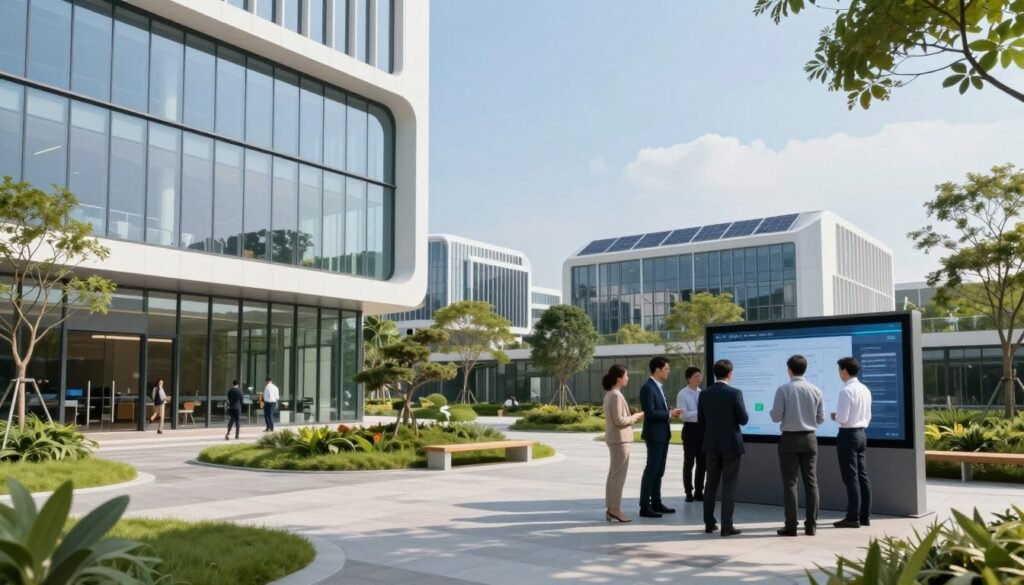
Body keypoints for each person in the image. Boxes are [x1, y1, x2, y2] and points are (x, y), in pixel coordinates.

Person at [769, 355, 825, 537]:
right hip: (810, 438)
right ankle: (812, 526)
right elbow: (821, 418)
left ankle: (791, 526)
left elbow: (776, 417)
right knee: (811, 483)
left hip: (789, 440)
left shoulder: (783, 390)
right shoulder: (816, 390)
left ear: (789, 370)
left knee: (790, 484)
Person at [700, 359, 749, 537]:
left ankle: (709, 523)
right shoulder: (735, 393)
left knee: (710, 484)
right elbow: (743, 419)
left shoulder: (704, 394)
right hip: (731, 445)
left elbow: (701, 420)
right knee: (729, 485)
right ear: (730, 373)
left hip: (711, 445)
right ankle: (727, 526)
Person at [638, 356, 683, 518]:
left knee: (659, 470)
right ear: (657, 370)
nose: (668, 371)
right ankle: (645, 506)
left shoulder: (659, 387)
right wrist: (669, 413)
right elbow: (649, 413)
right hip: (655, 435)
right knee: (651, 470)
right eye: (666, 369)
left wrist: (669, 411)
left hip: (663, 435)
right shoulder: (648, 388)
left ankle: (656, 502)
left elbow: (659, 410)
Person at [832, 357, 873, 528]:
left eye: (839, 370)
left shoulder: (845, 391)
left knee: (851, 477)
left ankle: (852, 516)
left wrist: (834, 416)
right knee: (862, 475)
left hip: (848, 435)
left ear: (844, 371)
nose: (839, 373)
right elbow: (868, 415)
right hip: (861, 434)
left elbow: (842, 418)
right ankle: (865, 515)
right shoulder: (865, 389)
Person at [602, 364, 644, 523]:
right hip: (620, 440)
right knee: (618, 476)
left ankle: (612, 509)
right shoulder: (615, 395)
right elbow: (619, 420)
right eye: (626, 375)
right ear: (619, 378)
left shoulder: (613, 394)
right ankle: (615, 510)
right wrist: (636, 417)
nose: (628, 378)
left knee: (614, 475)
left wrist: (630, 414)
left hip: (617, 439)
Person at [676, 366, 706, 503]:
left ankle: (699, 491)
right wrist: (700, 414)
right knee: (689, 462)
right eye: (696, 376)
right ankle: (689, 492)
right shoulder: (682, 394)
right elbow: (683, 415)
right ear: (689, 378)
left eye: (700, 376)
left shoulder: (702, 393)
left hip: (702, 430)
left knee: (702, 462)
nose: (699, 379)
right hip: (689, 430)